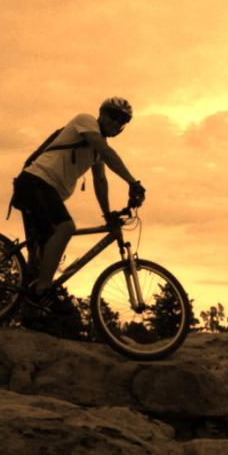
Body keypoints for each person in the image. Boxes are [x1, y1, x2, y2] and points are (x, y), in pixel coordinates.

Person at [11, 97, 145, 316]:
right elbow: (107, 153)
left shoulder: (97, 152)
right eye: (112, 116)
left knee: (42, 256)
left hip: (44, 189)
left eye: (121, 120)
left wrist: (107, 213)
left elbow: (100, 182)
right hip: (36, 182)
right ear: (101, 114)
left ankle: (31, 304)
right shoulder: (86, 122)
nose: (114, 122)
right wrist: (133, 182)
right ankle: (42, 288)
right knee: (66, 227)